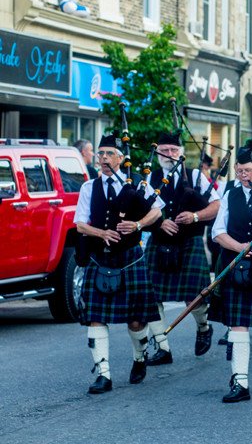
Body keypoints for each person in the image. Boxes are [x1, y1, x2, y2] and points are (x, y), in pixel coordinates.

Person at [73, 134, 163, 394]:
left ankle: (139, 358)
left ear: (121, 159)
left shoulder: (137, 183)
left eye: (109, 153)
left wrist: (138, 224)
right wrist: (101, 233)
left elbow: (157, 210)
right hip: (99, 258)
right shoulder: (88, 188)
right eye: (100, 154)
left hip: (130, 258)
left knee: (136, 321)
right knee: (96, 319)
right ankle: (103, 374)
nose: (103, 158)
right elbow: (80, 224)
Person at [144, 132, 221, 366]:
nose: (170, 155)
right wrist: (158, 222)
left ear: (181, 153)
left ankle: (203, 327)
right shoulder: (150, 178)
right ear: (157, 154)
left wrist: (196, 215)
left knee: (195, 296)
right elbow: (141, 211)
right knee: (151, 297)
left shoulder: (196, 175)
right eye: (165, 151)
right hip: (159, 242)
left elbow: (217, 205)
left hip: (190, 242)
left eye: (174, 151)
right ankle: (162, 347)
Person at [212, 138, 252, 402]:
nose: (242, 175)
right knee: (238, 324)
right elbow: (217, 232)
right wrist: (240, 247)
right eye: (238, 170)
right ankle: (240, 383)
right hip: (237, 267)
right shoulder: (229, 193)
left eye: (247, 170)